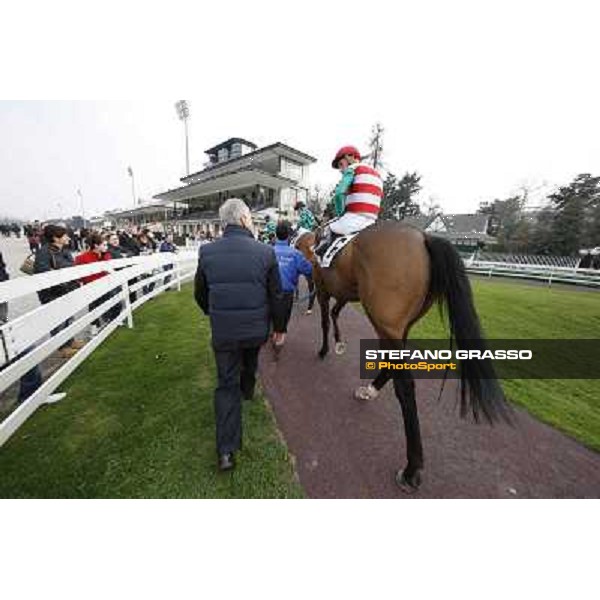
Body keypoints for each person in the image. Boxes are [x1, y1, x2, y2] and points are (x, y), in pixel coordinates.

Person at [194, 198, 285, 472]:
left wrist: (215, 314)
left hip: (225, 331)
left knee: (226, 384)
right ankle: (247, 389)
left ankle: (226, 452)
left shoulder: (207, 251)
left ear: (225, 222)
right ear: (245, 219)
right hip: (254, 330)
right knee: (248, 361)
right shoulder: (266, 252)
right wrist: (279, 329)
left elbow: (200, 295)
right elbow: (277, 294)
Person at [314, 145, 383, 258]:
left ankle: (324, 260)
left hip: (353, 218)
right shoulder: (377, 175)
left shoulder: (352, 169)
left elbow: (339, 193)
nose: (341, 170)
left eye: (341, 164)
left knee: (327, 228)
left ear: (350, 157)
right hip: (373, 221)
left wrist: (340, 213)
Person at [34, 225, 84, 358]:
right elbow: (42, 273)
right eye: (65, 235)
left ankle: (70, 340)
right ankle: (62, 347)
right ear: (56, 238)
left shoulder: (64, 250)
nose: (68, 237)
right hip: (52, 294)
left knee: (68, 317)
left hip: (67, 290)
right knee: (58, 321)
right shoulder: (44, 252)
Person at [272, 221, 313, 356]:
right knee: (283, 316)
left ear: (276, 235)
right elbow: (308, 269)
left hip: (270, 291)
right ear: (289, 236)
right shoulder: (296, 254)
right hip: (286, 292)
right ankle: (279, 337)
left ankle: (275, 333)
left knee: (272, 313)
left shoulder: (268, 250)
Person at [74, 233, 113, 336]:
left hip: (106, 285)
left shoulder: (106, 255)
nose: (106, 247)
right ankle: (94, 326)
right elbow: (78, 274)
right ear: (96, 245)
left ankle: (108, 322)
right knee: (94, 307)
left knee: (108, 302)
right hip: (91, 287)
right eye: (104, 245)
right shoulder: (82, 258)